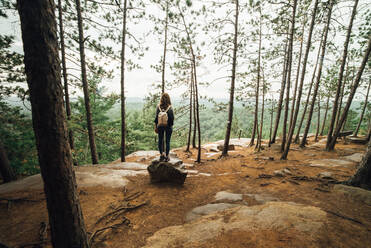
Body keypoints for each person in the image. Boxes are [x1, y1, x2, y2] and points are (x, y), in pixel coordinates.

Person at [154, 93, 174, 162]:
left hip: (160, 126)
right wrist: (170, 126)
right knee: (167, 141)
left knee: (160, 140)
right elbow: (172, 118)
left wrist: (156, 127)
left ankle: (162, 154)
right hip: (168, 126)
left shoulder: (158, 107)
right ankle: (167, 155)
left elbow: (156, 118)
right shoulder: (170, 107)